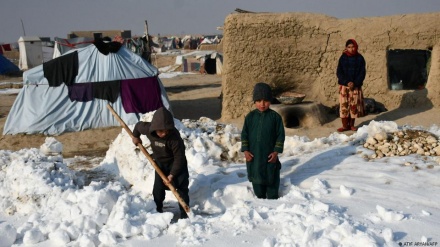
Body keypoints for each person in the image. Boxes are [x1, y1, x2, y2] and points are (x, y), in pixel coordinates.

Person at [132, 107, 190, 219]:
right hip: (160, 164)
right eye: (160, 131)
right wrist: (135, 136)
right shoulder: (149, 129)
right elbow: (138, 126)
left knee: (181, 188)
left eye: (166, 131)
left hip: (176, 164)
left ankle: (185, 214)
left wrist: (172, 175)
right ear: (154, 128)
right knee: (158, 189)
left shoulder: (175, 139)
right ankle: (158, 211)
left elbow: (179, 158)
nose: (164, 134)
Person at [241, 82, 285, 199]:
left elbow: (280, 136)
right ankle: (260, 198)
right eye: (259, 101)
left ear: (270, 101)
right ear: (254, 101)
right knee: (258, 190)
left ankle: (273, 199)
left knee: (272, 185)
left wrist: (276, 152)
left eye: (265, 100)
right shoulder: (250, 117)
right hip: (254, 156)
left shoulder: (275, 118)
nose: (262, 104)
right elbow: (244, 134)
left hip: (269, 156)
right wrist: (245, 151)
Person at [336, 39, 366, 132]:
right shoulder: (343, 58)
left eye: (353, 47)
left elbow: (362, 73)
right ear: (346, 48)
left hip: (355, 86)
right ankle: (345, 126)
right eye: (349, 47)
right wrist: (347, 82)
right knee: (344, 106)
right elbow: (339, 72)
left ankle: (352, 125)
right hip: (344, 86)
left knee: (354, 106)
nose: (351, 49)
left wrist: (355, 83)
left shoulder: (360, 58)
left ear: (356, 47)